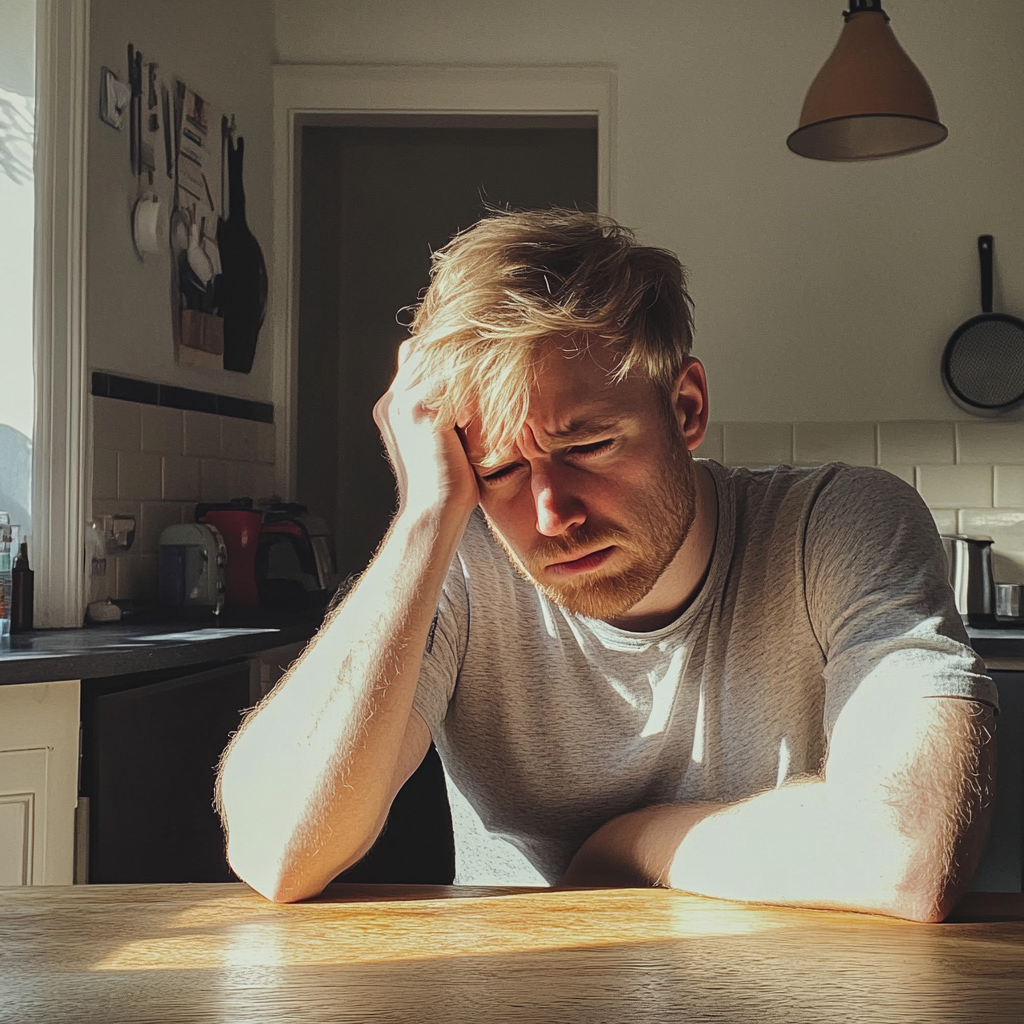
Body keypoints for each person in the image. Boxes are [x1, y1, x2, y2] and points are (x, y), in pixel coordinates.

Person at [216, 209, 998, 922]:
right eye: (501, 471)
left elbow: (906, 851)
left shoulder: (838, 526)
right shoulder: (459, 566)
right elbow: (275, 853)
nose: (553, 515)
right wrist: (427, 514)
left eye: (588, 446)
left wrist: (628, 848)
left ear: (686, 407)